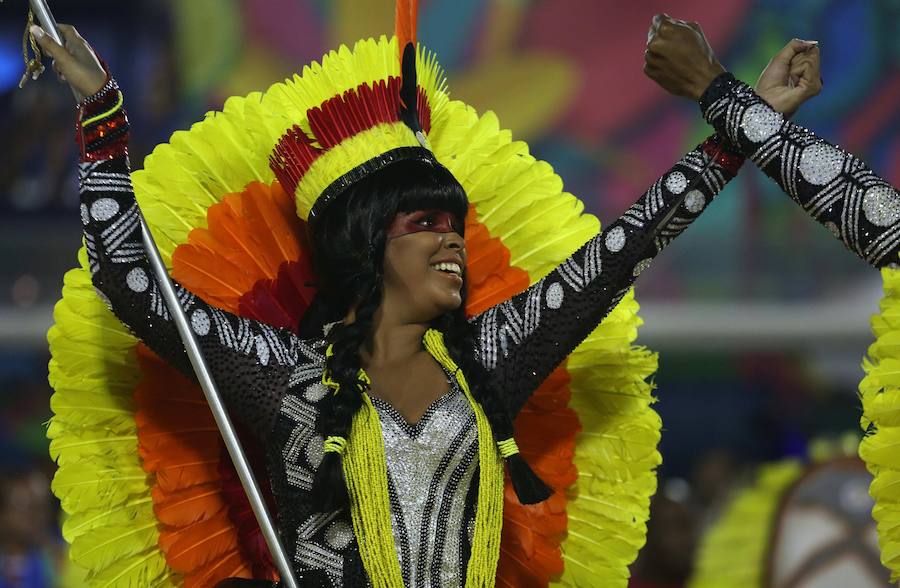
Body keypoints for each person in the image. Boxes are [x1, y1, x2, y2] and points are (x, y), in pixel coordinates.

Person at [33, 8, 828, 587]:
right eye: (426, 223)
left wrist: (745, 126)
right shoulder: (284, 377)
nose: (455, 239)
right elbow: (129, 281)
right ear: (367, 246)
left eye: (456, 224)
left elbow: (625, 249)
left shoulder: (490, 359)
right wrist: (103, 117)